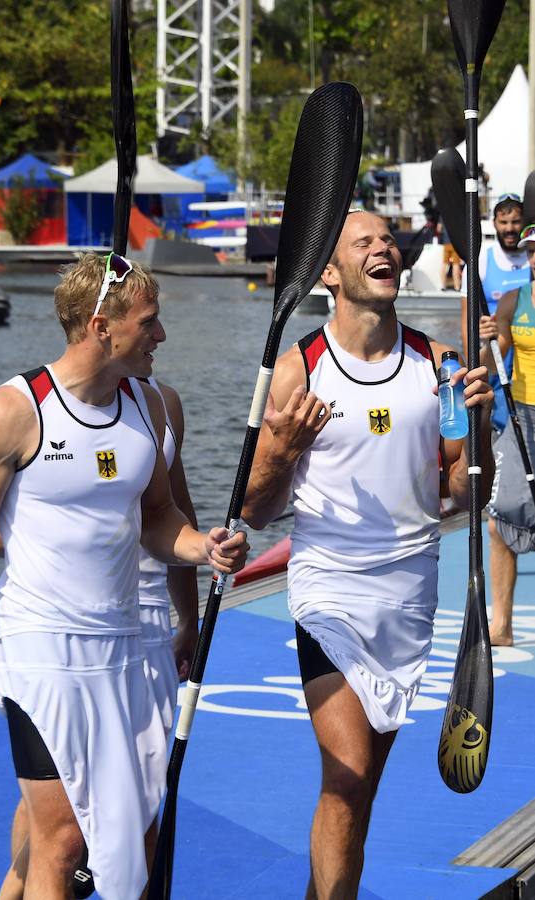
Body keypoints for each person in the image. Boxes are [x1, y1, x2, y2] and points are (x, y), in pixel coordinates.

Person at [0, 251, 248, 900]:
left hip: (127, 651)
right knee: (62, 841)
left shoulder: (148, 411)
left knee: (134, 847)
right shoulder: (8, 414)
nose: (161, 336)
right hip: (41, 651)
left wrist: (199, 547)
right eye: (149, 322)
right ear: (102, 328)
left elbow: (159, 517)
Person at [241, 211, 495, 900]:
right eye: (365, 242)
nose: (384, 248)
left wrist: (478, 434)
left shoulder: (439, 365)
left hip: (408, 597)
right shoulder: (298, 370)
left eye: (389, 241)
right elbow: (255, 511)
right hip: (329, 593)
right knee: (345, 775)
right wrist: (281, 452)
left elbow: (460, 492)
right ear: (329, 273)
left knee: (360, 795)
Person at [0, 374, 200, 899]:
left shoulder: (162, 402)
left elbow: (178, 511)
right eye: (148, 318)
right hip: (69, 628)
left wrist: (189, 621)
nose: (159, 333)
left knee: (145, 811)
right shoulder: (37, 411)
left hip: (149, 626)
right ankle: (14, 889)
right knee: (54, 818)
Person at [480, 223, 535, 646]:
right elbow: (492, 353)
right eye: (531, 252)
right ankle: (502, 626)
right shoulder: (516, 300)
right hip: (520, 420)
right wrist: (484, 341)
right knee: (500, 524)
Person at [460, 193, 529, 433]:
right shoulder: (480, 260)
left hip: (526, 363)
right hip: (494, 359)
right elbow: (467, 325)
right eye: (504, 222)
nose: (510, 229)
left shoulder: (532, 257)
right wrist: (473, 363)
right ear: (494, 223)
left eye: (515, 222)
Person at [440, 223, 462, 292]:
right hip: (455, 243)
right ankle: (457, 287)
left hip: (446, 243)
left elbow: (439, 228)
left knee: (445, 264)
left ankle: (443, 286)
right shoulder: (456, 217)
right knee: (456, 265)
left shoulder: (442, 216)